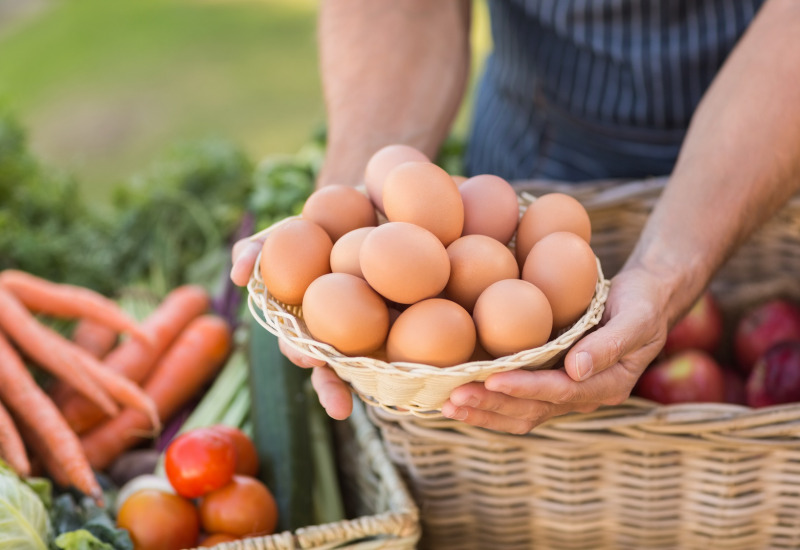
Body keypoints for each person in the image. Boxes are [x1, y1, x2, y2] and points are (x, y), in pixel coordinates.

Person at [231, 0, 800, 435]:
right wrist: (349, 214)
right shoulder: (477, 242)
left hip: (774, 154)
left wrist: (666, 268)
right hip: (537, 148)